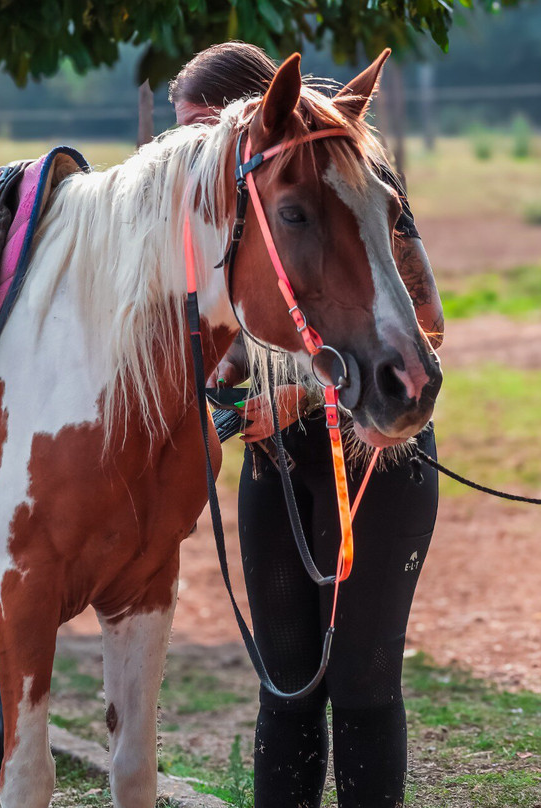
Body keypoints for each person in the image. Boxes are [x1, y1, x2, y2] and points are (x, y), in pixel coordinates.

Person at [170, 43, 443, 808]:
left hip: (374, 459)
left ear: (255, 122)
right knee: (286, 686)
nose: (195, 154)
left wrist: (288, 398)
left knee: (361, 684)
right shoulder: (207, 222)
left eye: (202, 133)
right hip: (274, 465)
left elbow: (428, 318)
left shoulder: (357, 183)